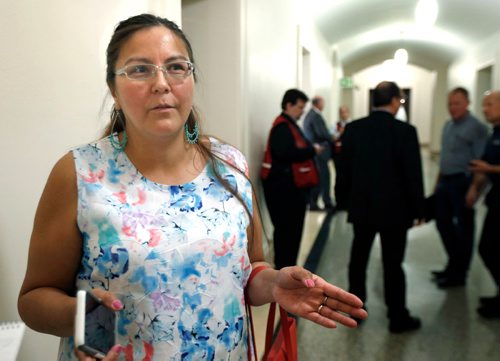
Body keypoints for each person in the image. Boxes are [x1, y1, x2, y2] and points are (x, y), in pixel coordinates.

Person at [17, 14, 367, 361]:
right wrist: (84, 317)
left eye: (176, 67)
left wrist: (274, 284)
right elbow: (34, 298)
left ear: (191, 78)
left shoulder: (230, 166)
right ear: (114, 89)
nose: (161, 83)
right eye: (140, 69)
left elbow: (250, 268)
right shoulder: (81, 173)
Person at [338, 81, 425, 333]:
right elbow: (413, 175)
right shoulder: (406, 131)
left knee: (358, 259)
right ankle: (397, 317)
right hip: (395, 212)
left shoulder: (354, 129)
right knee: (393, 264)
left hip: (363, 207)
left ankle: (356, 310)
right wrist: (419, 209)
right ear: (395, 101)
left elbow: (344, 170)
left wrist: (343, 201)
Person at [432, 87, 488, 288]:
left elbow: (481, 161)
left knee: (464, 229)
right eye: (450, 104)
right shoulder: (448, 125)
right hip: (445, 182)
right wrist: (437, 183)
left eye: (457, 103)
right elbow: (445, 158)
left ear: (467, 103)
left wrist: (474, 188)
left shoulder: (477, 128)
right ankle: (452, 265)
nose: (452, 107)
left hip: (463, 182)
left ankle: (459, 274)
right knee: (442, 223)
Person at [262, 89, 325, 270]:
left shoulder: (289, 124)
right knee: (287, 231)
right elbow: (285, 153)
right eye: (299, 107)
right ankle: (285, 269)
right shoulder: (282, 126)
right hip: (284, 189)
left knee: (291, 232)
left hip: (291, 188)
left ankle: (289, 267)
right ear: (288, 105)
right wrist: (312, 150)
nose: (301, 111)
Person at [466, 90, 500, 319]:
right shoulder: (493, 133)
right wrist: (474, 189)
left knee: (490, 248)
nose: (484, 109)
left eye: (489, 104)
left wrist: (488, 170)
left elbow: (489, 167)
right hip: (496, 200)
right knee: (488, 248)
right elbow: (486, 165)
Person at [303, 95, 336, 211]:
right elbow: (322, 133)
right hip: (319, 151)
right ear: (318, 103)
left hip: (315, 151)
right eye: (323, 102)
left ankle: (315, 202)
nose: (324, 105)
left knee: (319, 177)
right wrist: (333, 137)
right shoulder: (315, 116)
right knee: (323, 177)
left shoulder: (310, 115)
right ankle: (324, 202)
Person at [332, 105, 351, 210]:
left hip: (349, 154)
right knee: (339, 177)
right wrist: (340, 133)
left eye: (345, 112)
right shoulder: (335, 125)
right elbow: (332, 137)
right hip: (338, 154)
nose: (343, 114)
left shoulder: (352, 125)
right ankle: (339, 202)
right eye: (341, 112)